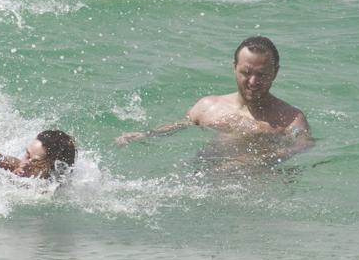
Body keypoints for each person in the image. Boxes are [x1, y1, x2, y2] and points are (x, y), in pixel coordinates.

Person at [115, 36, 313, 165]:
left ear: (275, 72)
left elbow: (303, 145)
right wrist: (146, 135)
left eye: (261, 74)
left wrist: (256, 160)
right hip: (203, 177)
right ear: (234, 67)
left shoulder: (289, 118)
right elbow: (181, 125)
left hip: (252, 183)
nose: (253, 81)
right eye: (246, 72)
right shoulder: (209, 106)